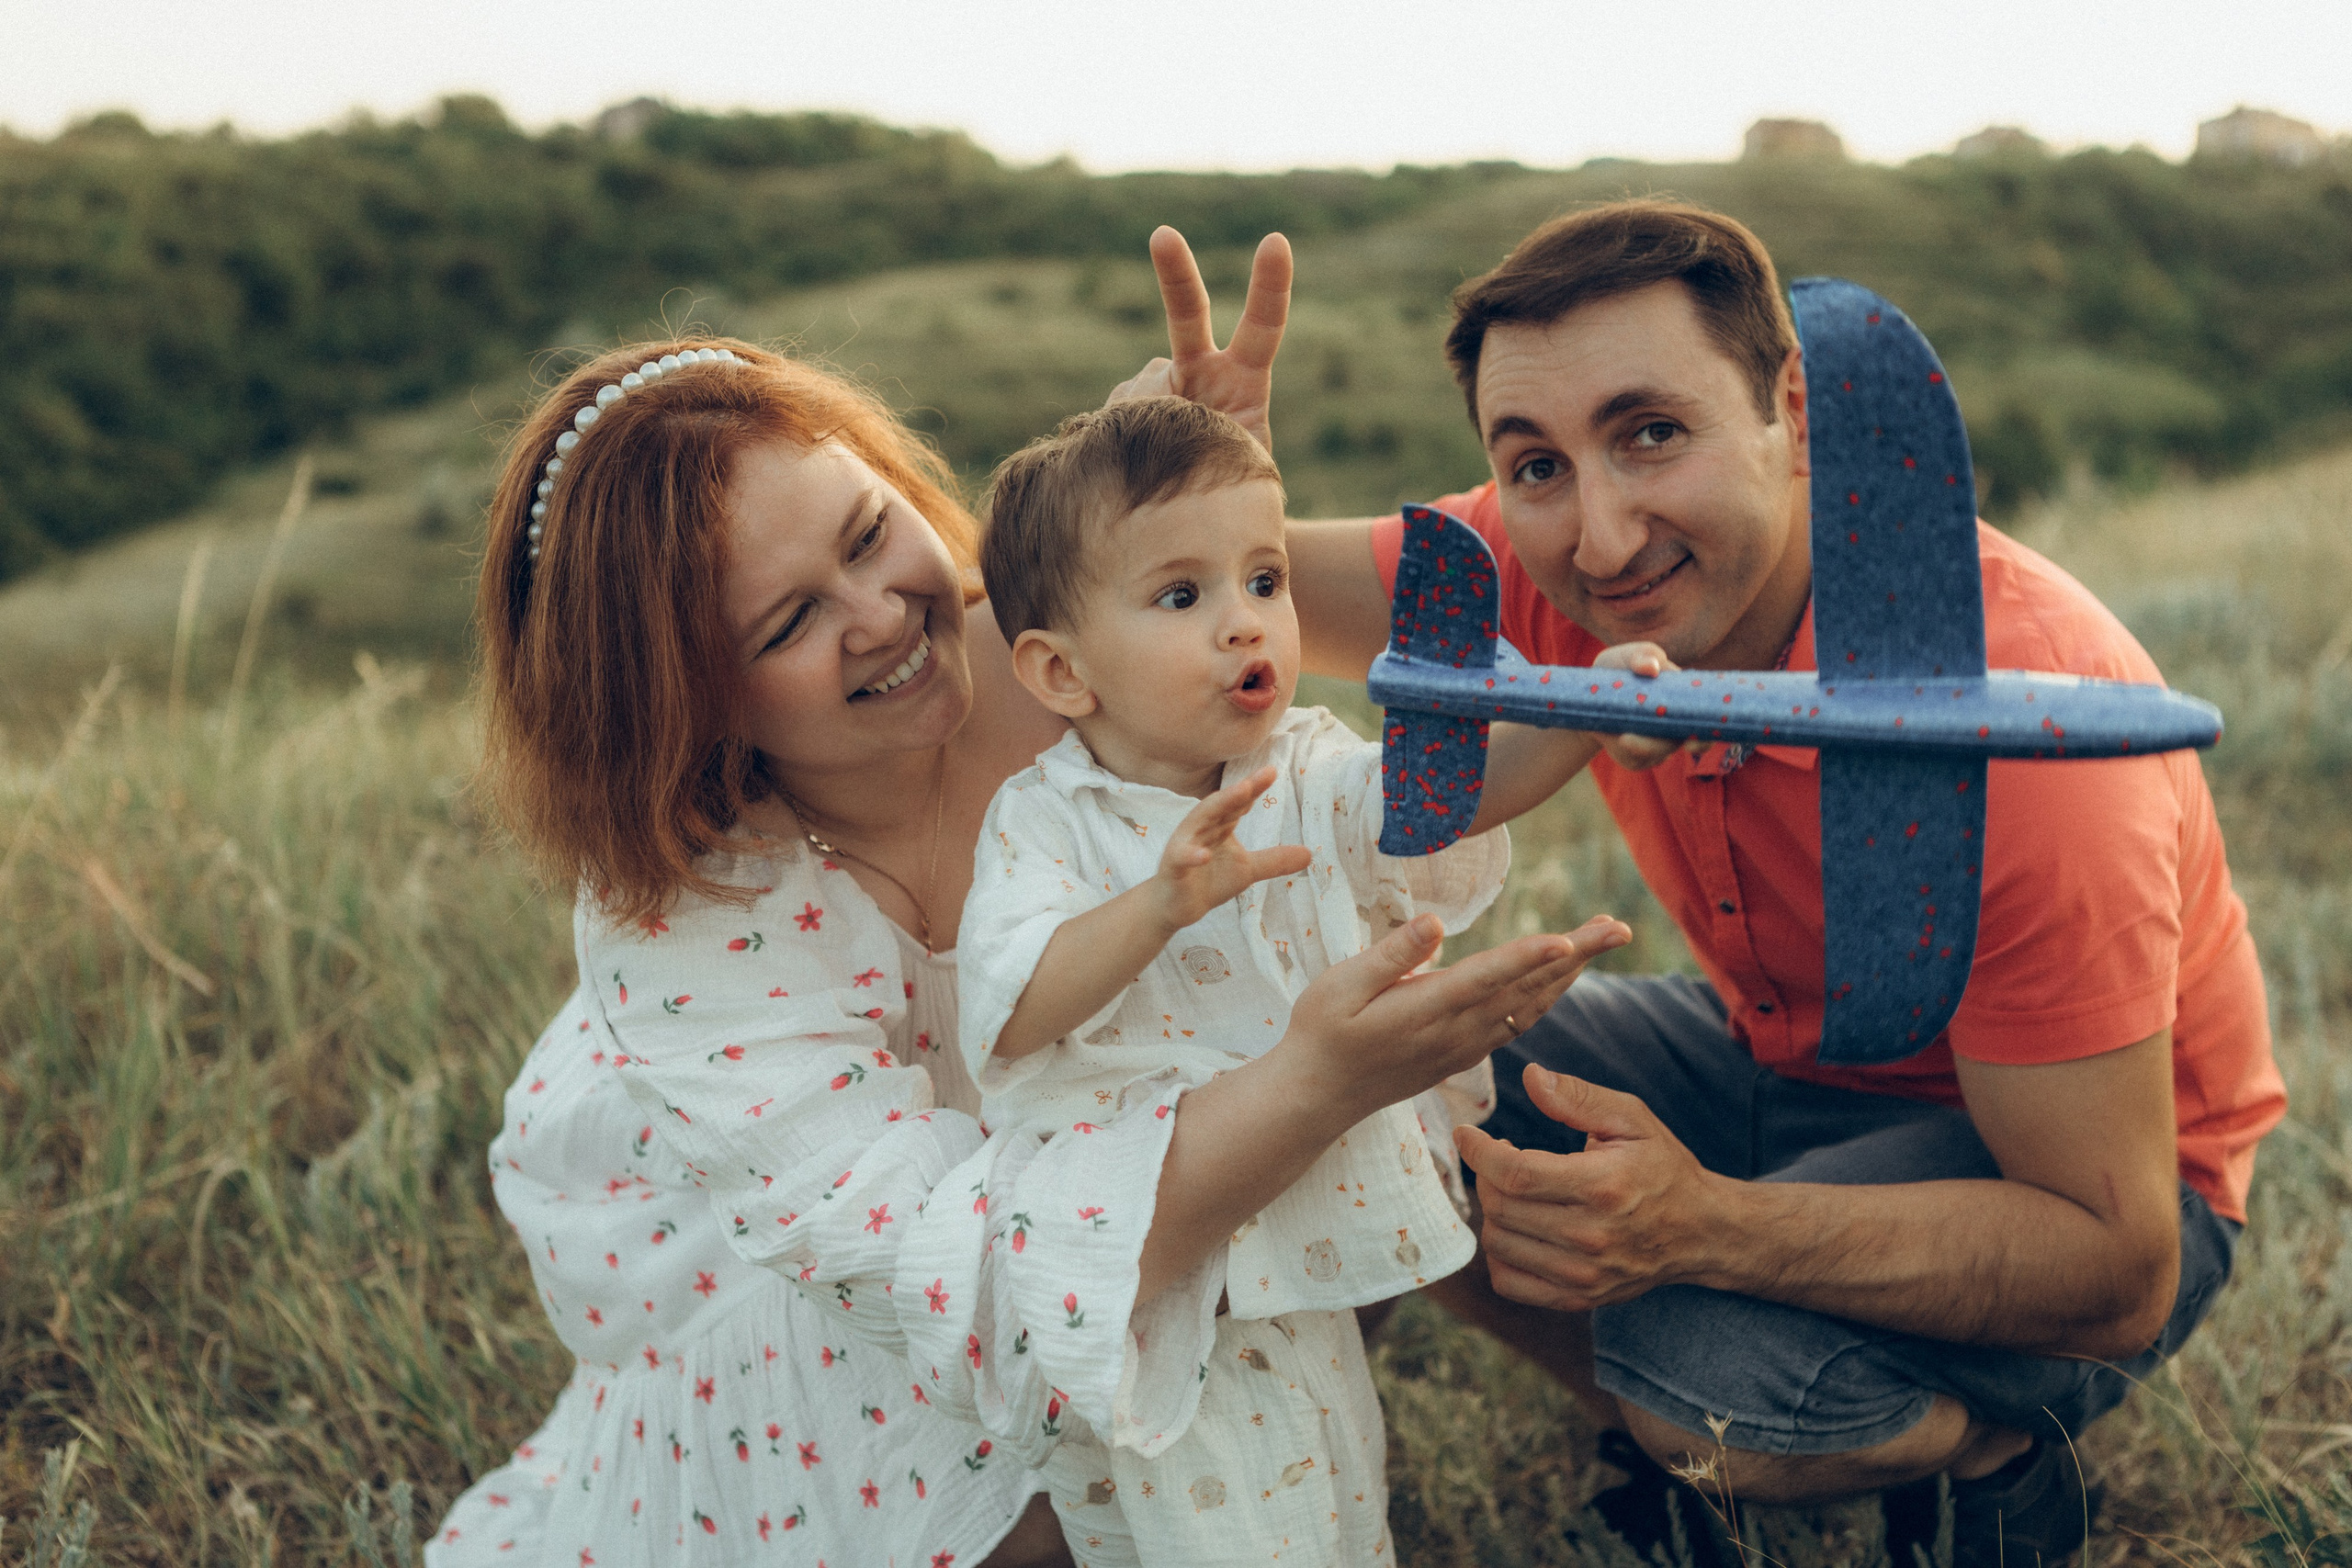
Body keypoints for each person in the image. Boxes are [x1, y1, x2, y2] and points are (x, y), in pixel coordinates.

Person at [432, 242, 1623, 1567]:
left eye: (872, 531)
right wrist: (1314, 1079)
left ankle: (1677, 1433)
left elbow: (1332, 791)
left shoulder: (1081, 662)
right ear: (683, 701)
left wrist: (1191, 536)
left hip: (1145, 1119)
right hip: (883, 1271)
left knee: (1306, 1251)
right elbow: (970, 1271)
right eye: (789, 624)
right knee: (1020, 1504)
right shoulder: (699, 919)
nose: (883, 615)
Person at [1195, 201, 2288, 1564]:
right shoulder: (1537, 561)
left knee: (1709, 1374)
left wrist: (1704, 1225)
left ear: (1793, 411)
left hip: (2086, 1174)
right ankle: (1673, 1423)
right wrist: (1183, 477)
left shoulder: (2012, 716)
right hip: (1789, 1058)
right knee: (1356, 1061)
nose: (1599, 536)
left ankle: (1994, 1453)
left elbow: (2121, 1266)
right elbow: (1174, 601)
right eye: (1536, 461)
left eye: (1654, 433)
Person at [954, 396, 1630, 1563]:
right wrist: (1159, 903)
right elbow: (1014, 1007)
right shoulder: (1051, 820)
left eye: (1263, 580)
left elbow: (1432, 803)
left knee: (1324, 1468)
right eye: (1183, 596)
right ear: (1060, 671)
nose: (1244, 624)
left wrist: (1584, 711)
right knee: (1207, 1496)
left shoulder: (1301, 763)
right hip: (1155, 1229)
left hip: (1283, 1226)